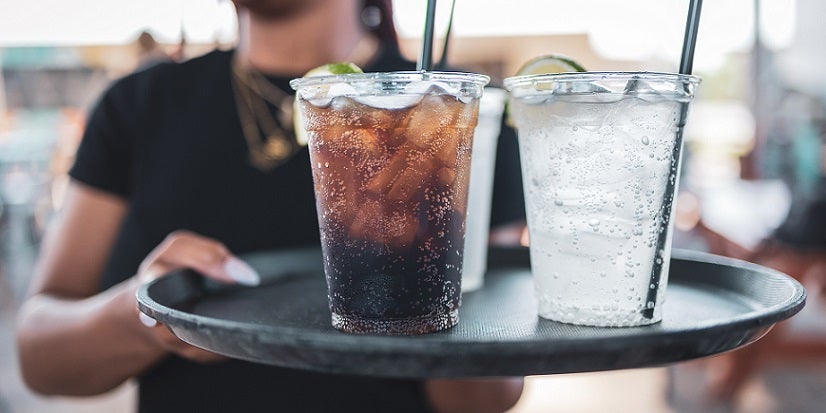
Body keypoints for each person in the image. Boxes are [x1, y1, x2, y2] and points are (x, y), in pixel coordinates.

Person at [15, 1, 526, 412]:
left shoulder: (448, 110)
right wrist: (146, 312)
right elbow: (40, 358)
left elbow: (487, 397)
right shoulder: (138, 104)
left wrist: (436, 294)